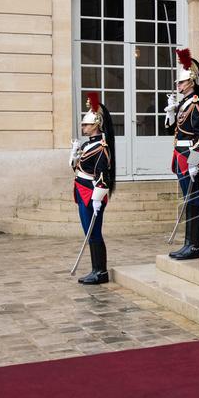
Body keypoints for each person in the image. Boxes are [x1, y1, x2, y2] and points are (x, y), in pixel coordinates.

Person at [165, 48, 199, 260]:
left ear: (190, 83)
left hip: (190, 154)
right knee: (187, 199)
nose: (178, 86)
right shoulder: (183, 104)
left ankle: (194, 245)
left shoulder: (196, 104)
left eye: (181, 83)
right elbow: (173, 130)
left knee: (193, 200)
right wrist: (171, 113)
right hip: (180, 153)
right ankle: (187, 242)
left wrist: (196, 162)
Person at [71, 92, 116, 285]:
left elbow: (103, 175)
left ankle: (100, 271)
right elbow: (78, 168)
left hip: (92, 193)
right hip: (82, 189)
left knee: (93, 232)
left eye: (86, 125)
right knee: (88, 232)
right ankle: (95, 269)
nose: (83, 127)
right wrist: (74, 155)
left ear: (96, 125)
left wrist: (98, 199)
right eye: (83, 124)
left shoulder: (102, 147)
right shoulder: (88, 144)